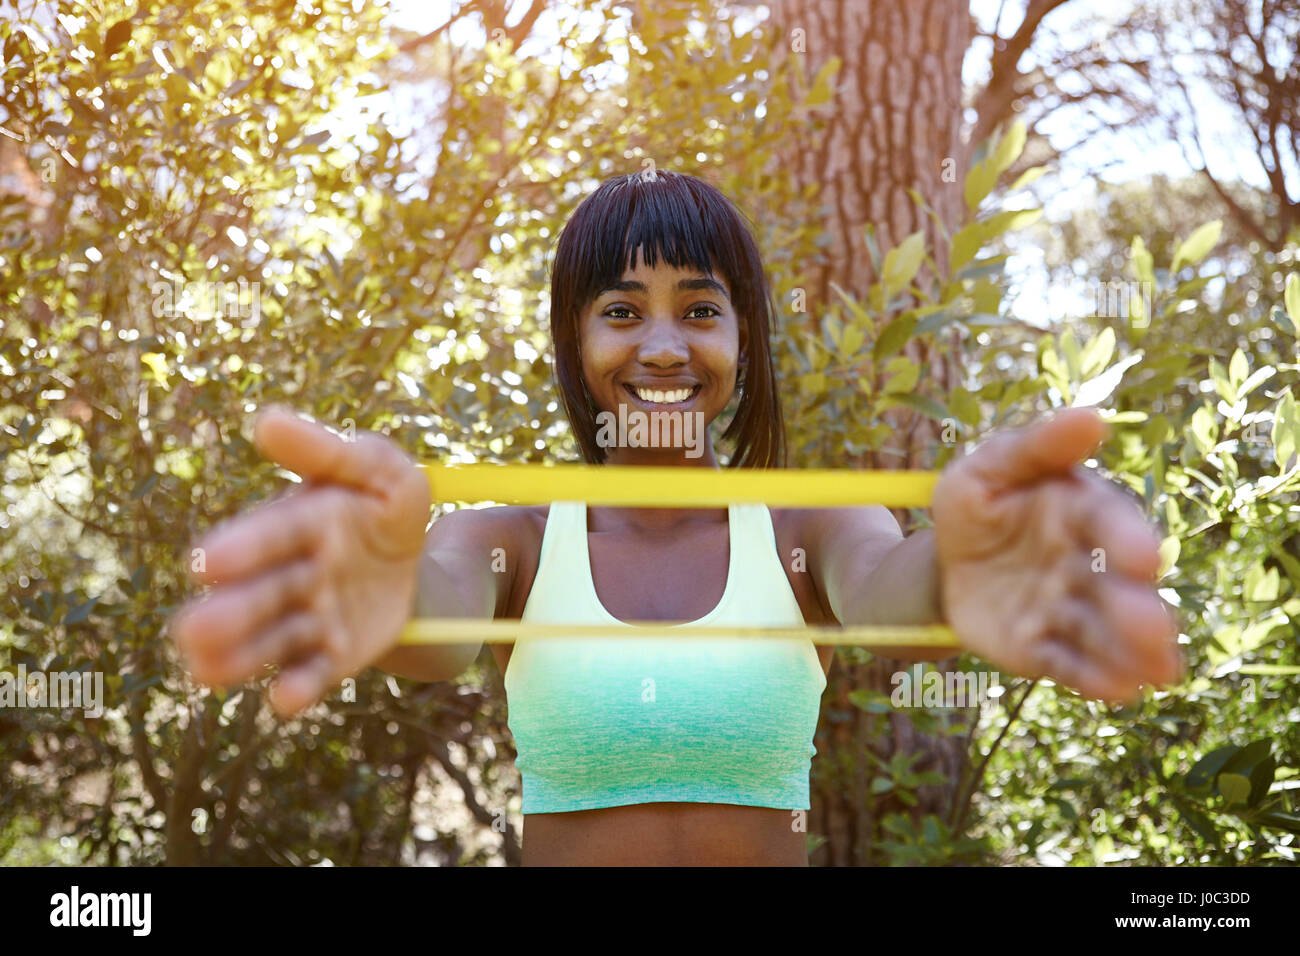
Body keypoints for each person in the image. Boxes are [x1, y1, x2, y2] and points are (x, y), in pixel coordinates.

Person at [171, 170, 1182, 866]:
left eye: (699, 309)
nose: (661, 344)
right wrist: (372, 578)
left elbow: (892, 590)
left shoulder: (811, 534)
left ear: (743, 339)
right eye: (621, 310)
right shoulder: (511, 540)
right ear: (575, 342)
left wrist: (972, 554)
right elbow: (430, 621)